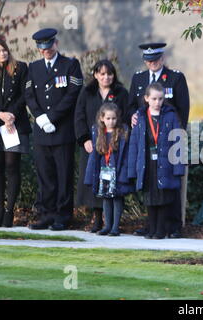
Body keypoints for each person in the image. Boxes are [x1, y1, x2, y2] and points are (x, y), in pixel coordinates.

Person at [128, 42, 190, 238]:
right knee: (151, 186)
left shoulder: (175, 78)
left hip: (168, 140)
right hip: (147, 142)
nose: (152, 64)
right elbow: (131, 106)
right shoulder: (138, 79)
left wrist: (177, 136)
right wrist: (132, 116)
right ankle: (152, 226)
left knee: (169, 186)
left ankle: (173, 226)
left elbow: (183, 109)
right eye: (148, 61)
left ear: (162, 59)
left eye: (155, 60)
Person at [25, 28, 83, 230]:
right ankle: (46, 214)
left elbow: (73, 93)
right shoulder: (34, 67)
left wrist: (52, 117)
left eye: (49, 46)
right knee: (45, 175)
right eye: (42, 48)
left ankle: (63, 216)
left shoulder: (71, 65)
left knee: (63, 175)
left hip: (62, 130)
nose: (46, 51)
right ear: (39, 49)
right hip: (42, 130)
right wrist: (40, 117)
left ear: (55, 44)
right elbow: (29, 95)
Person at [75, 60, 129, 233]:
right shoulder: (87, 92)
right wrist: (84, 139)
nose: (106, 77)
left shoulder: (121, 93)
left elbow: (126, 117)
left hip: (114, 147)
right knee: (96, 181)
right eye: (103, 73)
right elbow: (79, 116)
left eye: (110, 73)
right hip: (94, 147)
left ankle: (113, 224)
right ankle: (98, 220)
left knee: (115, 185)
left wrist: (119, 139)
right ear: (96, 75)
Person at [0, 38, 31, 227]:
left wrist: (10, 116)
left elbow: (24, 95)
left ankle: (9, 211)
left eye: (4, 50)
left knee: (12, 166)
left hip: (15, 122)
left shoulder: (20, 68)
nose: (2, 54)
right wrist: (0, 114)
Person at [84, 103, 133, 236]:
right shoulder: (98, 132)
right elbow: (94, 156)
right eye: (108, 118)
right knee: (106, 198)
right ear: (102, 118)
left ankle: (115, 227)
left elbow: (126, 155)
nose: (111, 121)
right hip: (104, 171)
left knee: (117, 198)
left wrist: (125, 174)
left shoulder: (123, 132)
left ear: (118, 118)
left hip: (118, 171)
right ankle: (107, 226)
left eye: (114, 118)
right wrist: (91, 174)